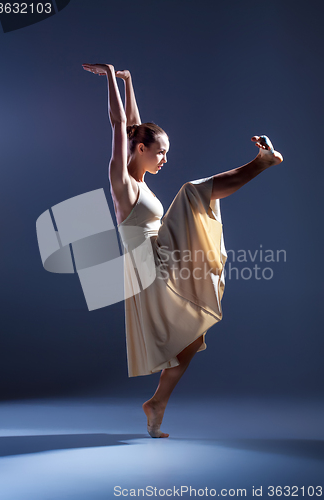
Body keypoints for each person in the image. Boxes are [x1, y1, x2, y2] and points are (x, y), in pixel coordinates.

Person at [82, 63, 283, 438]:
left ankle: (156, 403)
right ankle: (261, 163)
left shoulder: (140, 173)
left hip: (162, 254)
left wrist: (129, 81)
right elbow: (118, 127)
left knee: (193, 335)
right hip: (148, 264)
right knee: (192, 191)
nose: (165, 159)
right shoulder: (121, 180)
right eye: (160, 153)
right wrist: (110, 75)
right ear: (139, 150)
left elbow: (131, 125)